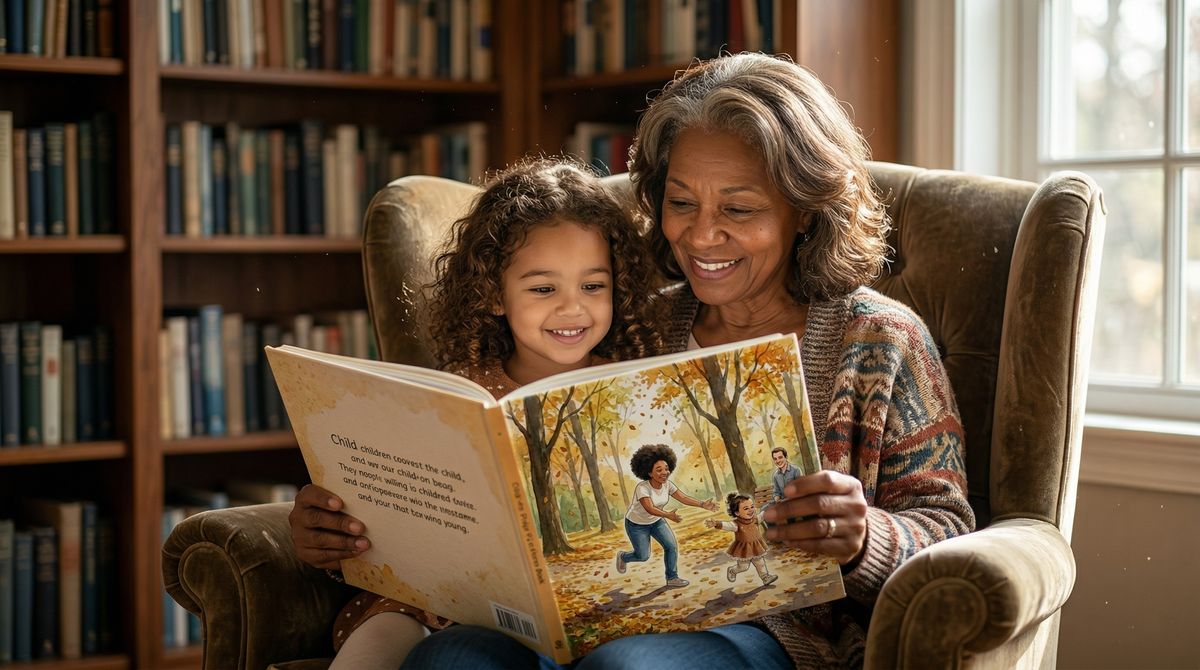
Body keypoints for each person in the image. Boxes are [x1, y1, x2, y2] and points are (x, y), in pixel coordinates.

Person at [292, 52, 975, 670]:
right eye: (680, 203)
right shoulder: (636, 321)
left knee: (629, 668)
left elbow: (948, 528)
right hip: (566, 626)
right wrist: (353, 524)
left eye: (739, 209)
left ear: (805, 210)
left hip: (762, 632)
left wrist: (862, 537)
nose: (701, 235)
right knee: (449, 660)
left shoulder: (878, 340)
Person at [323, 157, 664, 669]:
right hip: (457, 604)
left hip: (605, 599)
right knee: (385, 634)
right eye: (543, 289)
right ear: (495, 295)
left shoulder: (635, 382)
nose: (573, 308)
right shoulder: (460, 392)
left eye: (593, 286)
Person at [615, 443, 718, 588]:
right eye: (659, 470)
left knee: (671, 546)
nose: (665, 472)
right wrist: (668, 515)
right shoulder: (642, 488)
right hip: (636, 525)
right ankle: (623, 557)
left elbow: (683, 498)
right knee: (643, 556)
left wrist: (702, 504)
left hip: (657, 522)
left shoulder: (667, 485)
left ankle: (672, 578)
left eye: (666, 468)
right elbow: (650, 508)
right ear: (649, 473)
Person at [706, 492, 778, 586]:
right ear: (737, 513)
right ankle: (732, 570)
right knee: (744, 567)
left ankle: (765, 577)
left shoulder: (755, 519)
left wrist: (771, 507)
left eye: (752, 507)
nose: (751, 510)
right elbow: (727, 525)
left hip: (756, 547)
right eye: (746, 508)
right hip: (744, 550)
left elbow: (762, 515)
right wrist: (716, 523)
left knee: (760, 563)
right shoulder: (736, 524)